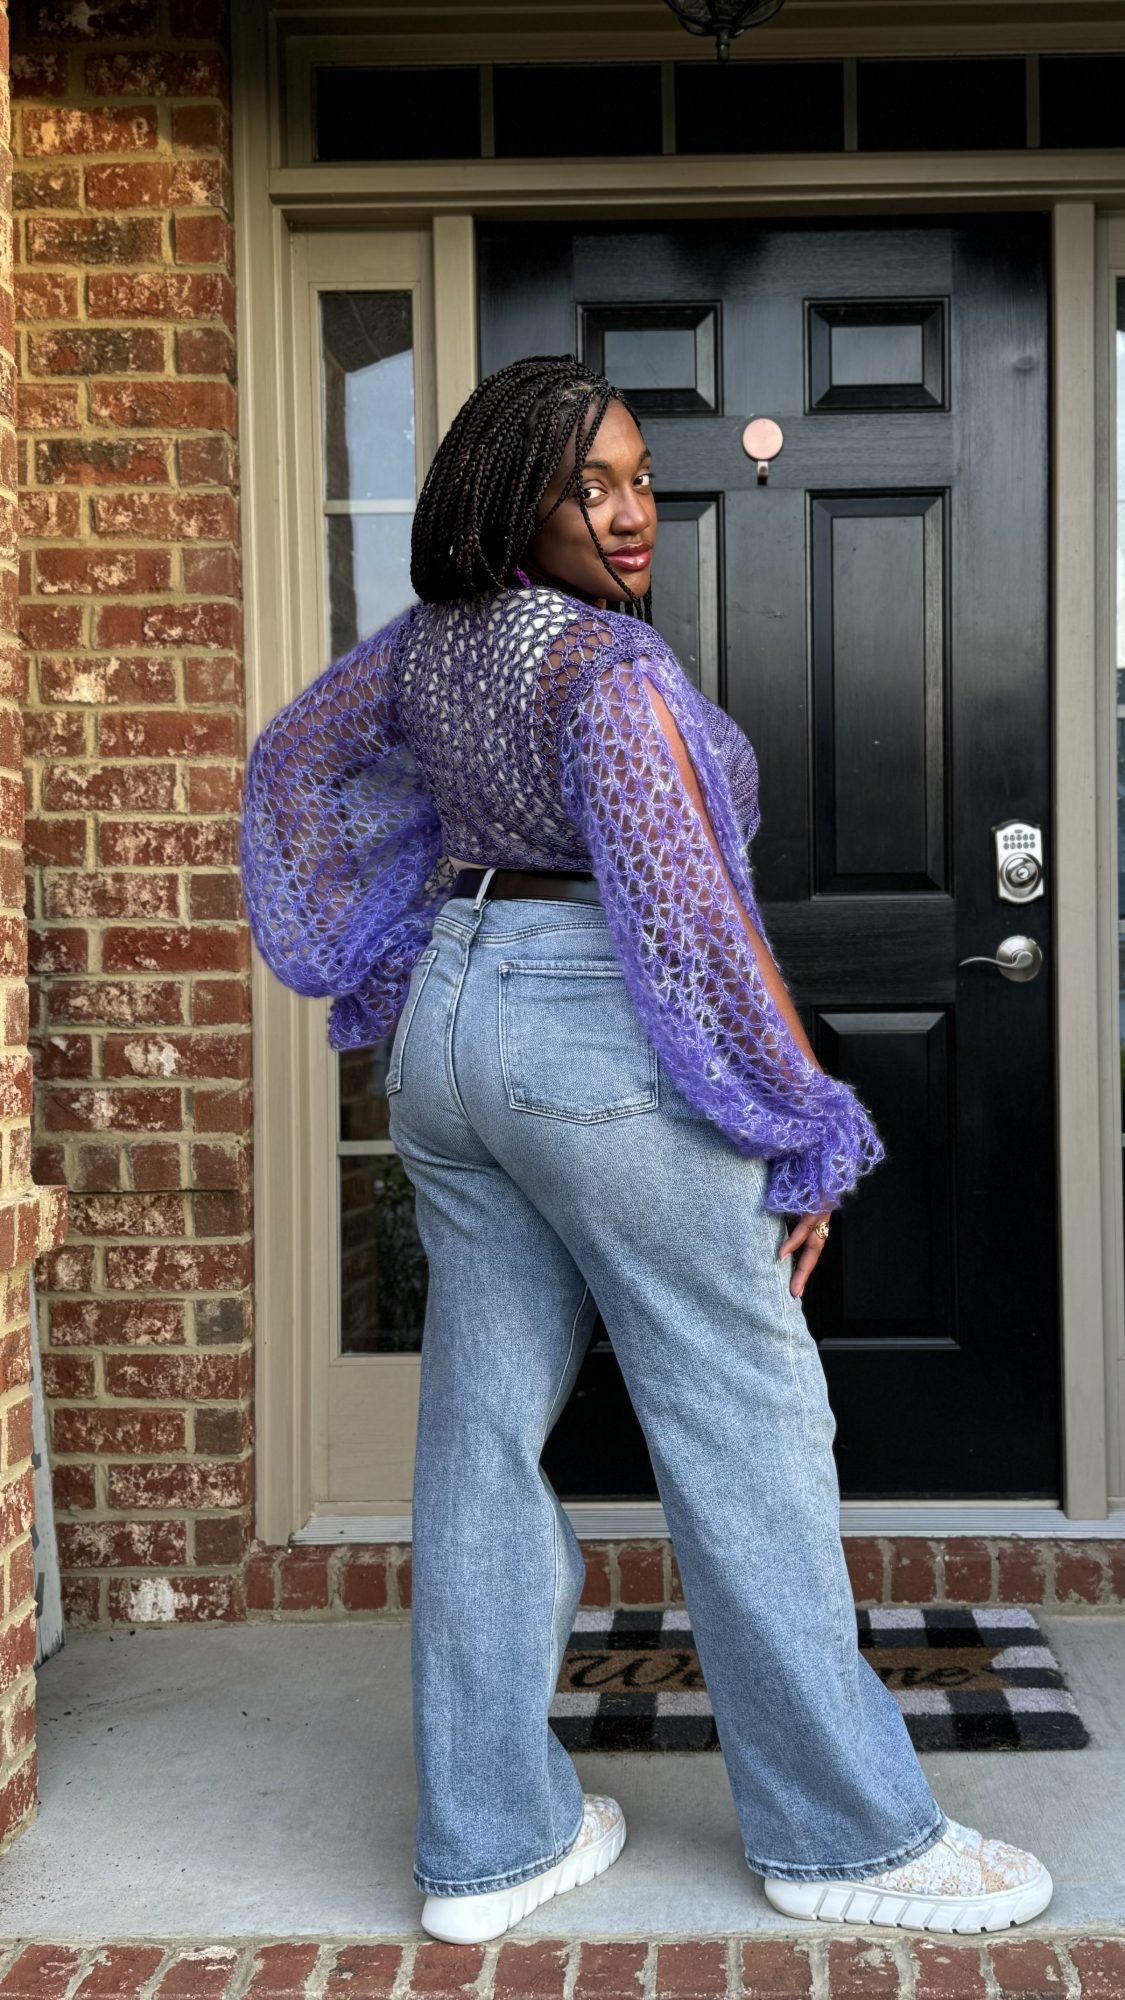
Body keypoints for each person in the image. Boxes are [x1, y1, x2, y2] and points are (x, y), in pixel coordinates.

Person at [239, 355, 1053, 1945]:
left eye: (634, 479)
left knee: (476, 1430)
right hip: (591, 1039)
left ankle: (490, 1846)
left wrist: (402, 945)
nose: (627, 516)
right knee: (744, 1415)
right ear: (505, 503)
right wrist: (806, 1126)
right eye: (583, 488)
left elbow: (286, 769)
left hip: (454, 1041)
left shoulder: (426, 652)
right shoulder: (605, 682)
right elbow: (694, 925)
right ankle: (849, 1836)